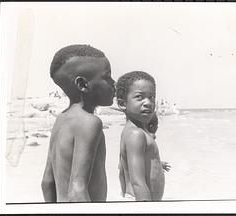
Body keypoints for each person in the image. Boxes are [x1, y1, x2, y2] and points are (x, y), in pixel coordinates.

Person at [41, 44, 115, 202]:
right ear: (82, 84)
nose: (113, 82)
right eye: (107, 77)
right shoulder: (90, 122)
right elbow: (77, 189)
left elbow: (47, 183)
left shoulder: (61, 120)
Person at [116, 71, 168, 201]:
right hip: (140, 200)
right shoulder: (136, 134)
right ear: (123, 104)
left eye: (151, 97)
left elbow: (123, 168)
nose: (148, 102)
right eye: (139, 97)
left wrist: (156, 163)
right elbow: (137, 183)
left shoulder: (134, 131)